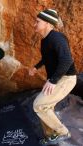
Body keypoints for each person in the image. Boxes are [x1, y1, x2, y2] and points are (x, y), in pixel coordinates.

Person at [29, 9, 77, 145]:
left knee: (38, 105)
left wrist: (53, 81)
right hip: (58, 78)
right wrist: (36, 67)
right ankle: (51, 135)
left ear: (48, 24)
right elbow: (47, 57)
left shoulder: (57, 38)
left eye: (37, 22)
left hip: (66, 78)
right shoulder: (45, 40)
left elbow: (67, 60)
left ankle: (63, 132)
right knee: (45, 107)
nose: (34, 24)